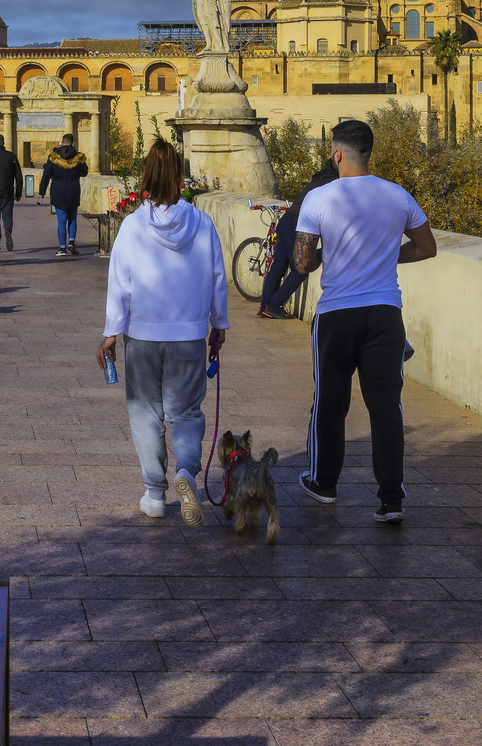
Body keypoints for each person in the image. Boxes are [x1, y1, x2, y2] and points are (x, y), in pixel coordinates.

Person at [293, 119, 437, 524]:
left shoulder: (319, 198)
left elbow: (302, 263)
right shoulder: (397, 195)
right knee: (386, 407)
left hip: (337, 315)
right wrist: (388, 254)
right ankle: (391, 499)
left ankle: (324, 483)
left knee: (331, 402)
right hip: (385, 315)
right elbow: (427, 248)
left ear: (336, 153)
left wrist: (326, 257)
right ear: (368, 153)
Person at [96, 138, 228, 525]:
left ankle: (155, 494)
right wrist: (218, 324)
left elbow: (118, 282)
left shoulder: (133, 225)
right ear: (180, 176)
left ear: (147, 177)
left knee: (145, 412)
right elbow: (218, 277)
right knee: (186, 412)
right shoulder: (202, 222)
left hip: (143, 334)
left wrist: (110, 333)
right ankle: (186, 471)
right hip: (188, 333)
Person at [257, 159, 339, 319]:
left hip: (286, 221)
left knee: (278, 267)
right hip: (297, 226)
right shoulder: (333, 184)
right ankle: (273, 306)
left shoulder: (319, 179)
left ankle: (264, 306)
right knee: (301, 269)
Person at [38, 133, 88, 257]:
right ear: (73, 144)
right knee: (72, 218)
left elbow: (46, 175)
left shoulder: (53, 157)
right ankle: (71, 241)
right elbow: (84, 173)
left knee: (61, 221)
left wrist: (42, 191)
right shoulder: (79, 157)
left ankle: (62, 248)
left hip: (58, 192)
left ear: (62, 142)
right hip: (73, 191)